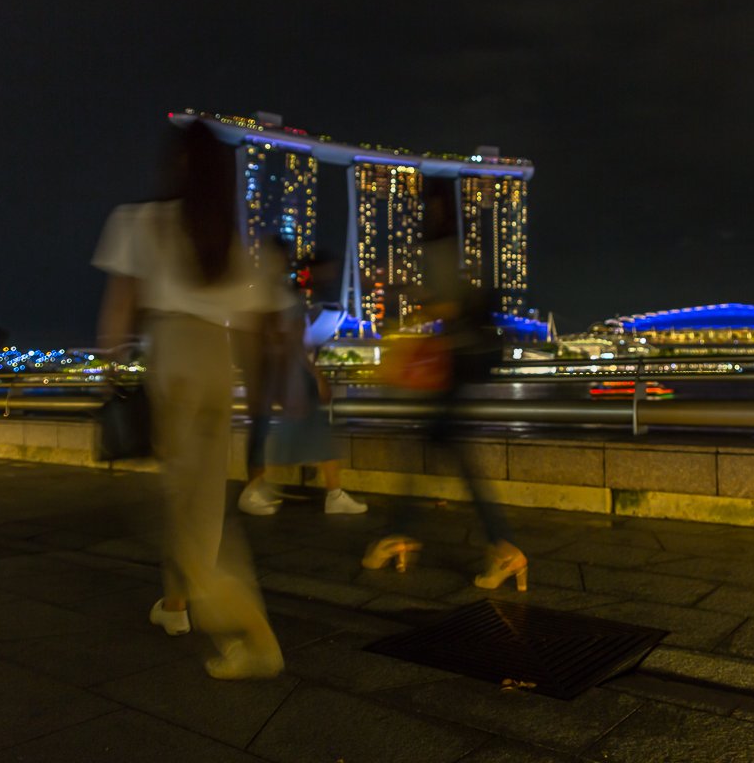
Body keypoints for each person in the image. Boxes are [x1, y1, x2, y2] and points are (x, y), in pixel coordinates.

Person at [93, 119, 283, 680]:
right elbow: (250, 329)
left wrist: (113, 377)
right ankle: (175, 607)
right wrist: (257, 397)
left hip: (173, 357)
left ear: (178, 164)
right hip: (215, 362)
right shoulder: (227, 242)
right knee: (201, 501)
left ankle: (252, 631)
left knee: (178, 503)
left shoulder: (141, 222)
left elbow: (117, 315)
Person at [361, 178, 528, 590]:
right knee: (437, 454)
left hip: (456, 365)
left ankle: (493, 546)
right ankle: (490, 545)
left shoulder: (442, 245)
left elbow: (452, 303)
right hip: (457, 365)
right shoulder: (452, 243)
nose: (425, 211)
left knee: (430, 455)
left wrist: (407, 315)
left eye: (428, 203)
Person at [259, 242, 367, 514]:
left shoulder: (289, 296)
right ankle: (266, 486)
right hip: (297, 375)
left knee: (311, 433)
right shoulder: (287, 298)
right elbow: (294, 343)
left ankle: (331, 492)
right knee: (299, 433)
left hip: (294, 374)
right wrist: (316, 374)